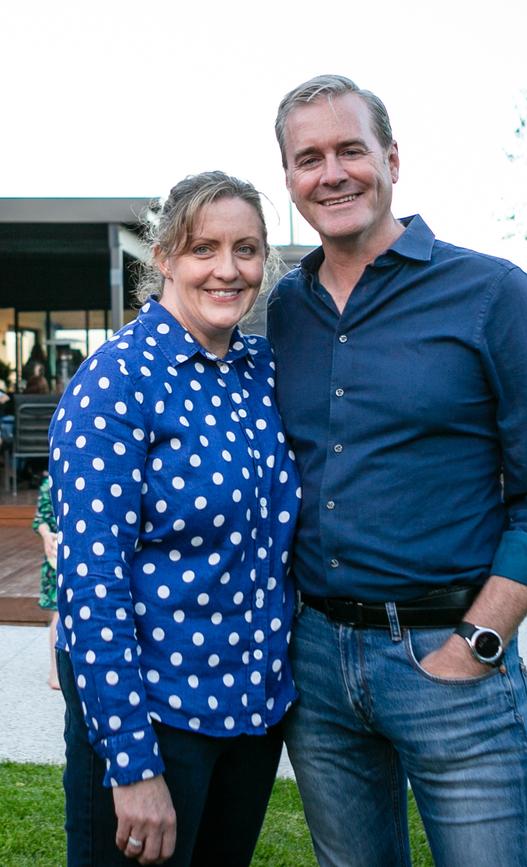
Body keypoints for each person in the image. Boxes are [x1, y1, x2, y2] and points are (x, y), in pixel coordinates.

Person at [267, 75, 527, 867]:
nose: (333, 172)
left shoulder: (492, 293)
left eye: (352, 149)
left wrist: (477, 641)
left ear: (392, 158)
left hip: (449, 657)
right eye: (309, 158)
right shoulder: (283, 308)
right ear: (289, 180)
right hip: (315, 662)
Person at [49, 170, 301, 866]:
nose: (228, 269)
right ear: (163, 258)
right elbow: (93, 584)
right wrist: (131, 763)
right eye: (204, 249)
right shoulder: (116, 382)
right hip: (156, 721)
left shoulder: (260, 371)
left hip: (252, 717)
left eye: (246, 250)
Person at [33, 473, 60, 689]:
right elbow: (40, 519)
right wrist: (46, 535)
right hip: (57, 555)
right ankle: (55, 671)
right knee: (58, 615)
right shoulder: (48, 483)